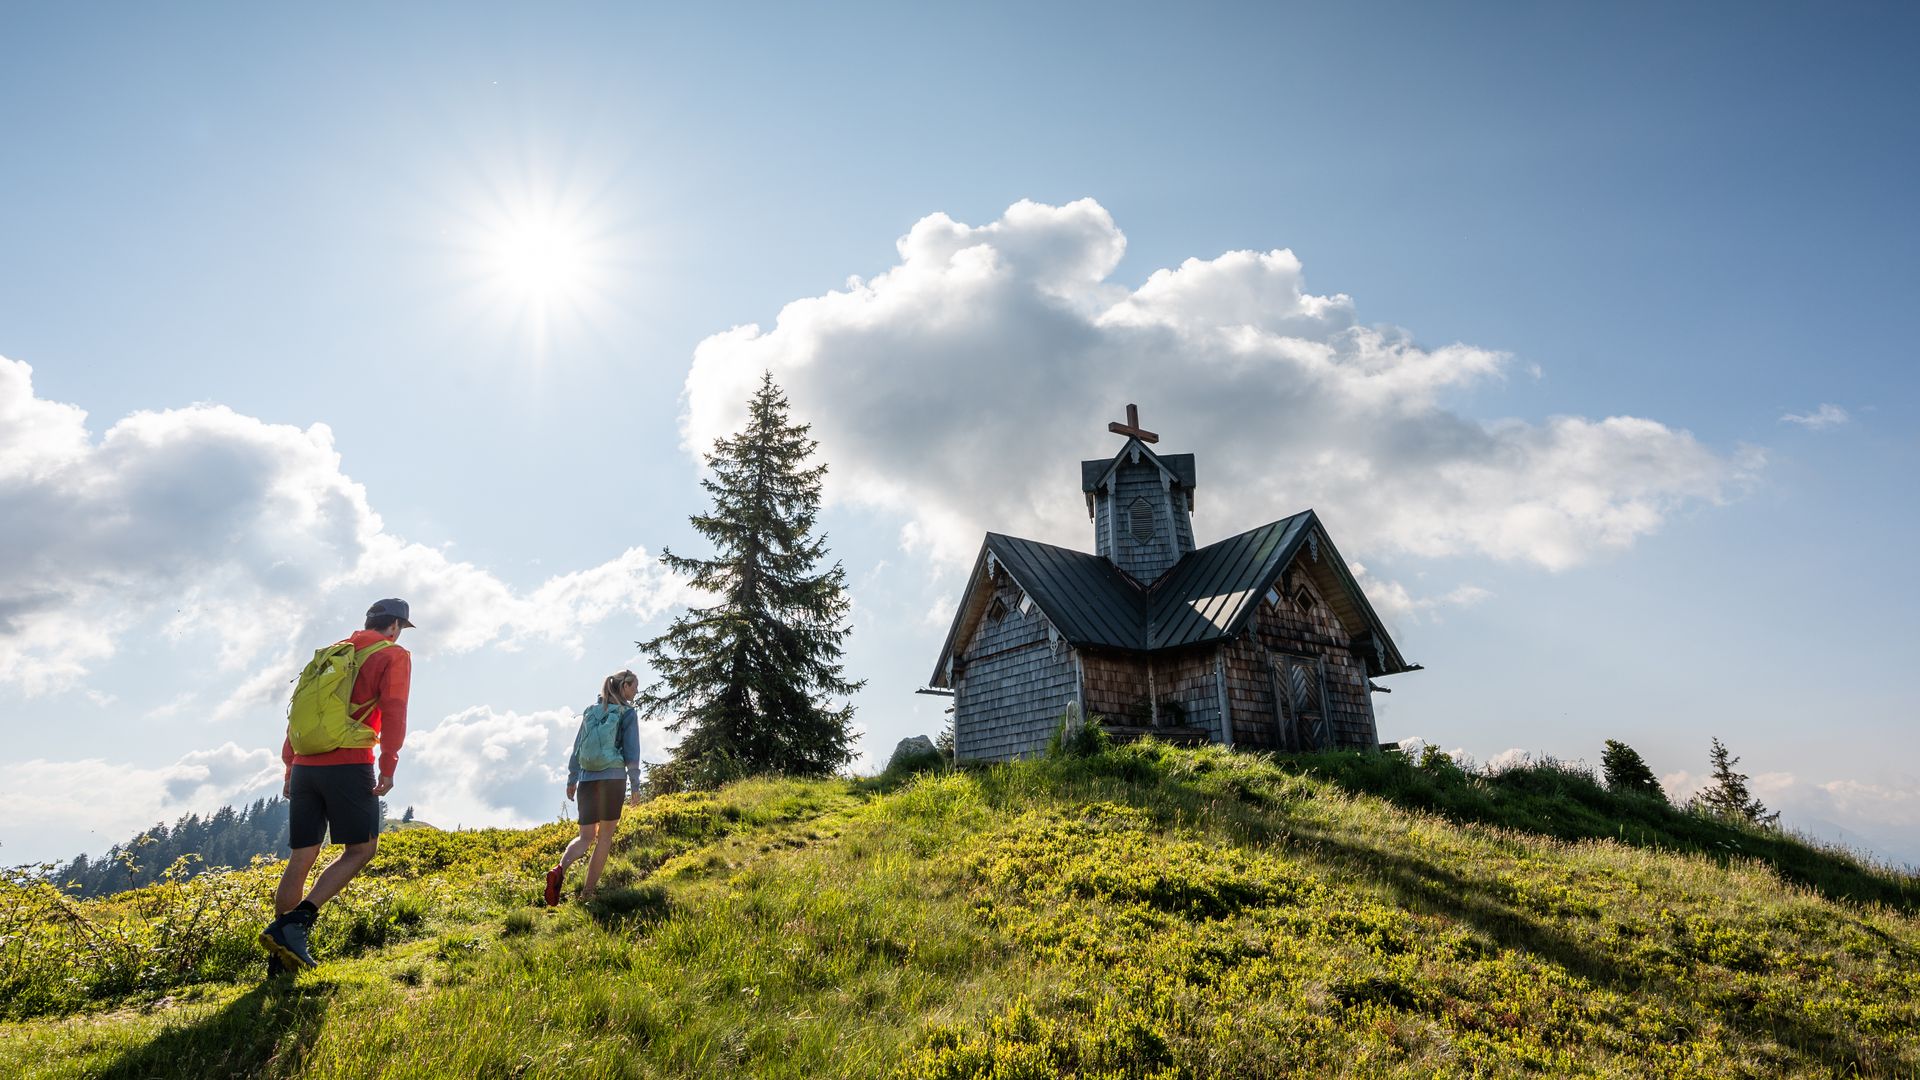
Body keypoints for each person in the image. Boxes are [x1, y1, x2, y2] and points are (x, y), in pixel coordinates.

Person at [261, 598, 414, 973]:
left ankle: (282, 961)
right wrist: (389, 763)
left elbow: (301, 712)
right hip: (348, 761)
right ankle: (297, 924)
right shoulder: (392, 655)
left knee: (302, 856)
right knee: (361, 849)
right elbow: (394, 708)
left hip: (304, 765)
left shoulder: (332, 653)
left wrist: (289, 767)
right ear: (394, 625)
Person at [545, 670, 642, 905]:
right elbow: (632, 752)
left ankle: (559, 869)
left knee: (584, 837)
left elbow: (577, 747)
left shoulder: (590, 711)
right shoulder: (627, 713)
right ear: (625, 686)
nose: (636, 691)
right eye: (634, 687)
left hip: (587, 781)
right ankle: (587, 893)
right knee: (605, 837)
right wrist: (635, 785)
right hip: (612, 780)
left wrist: (572, 778)